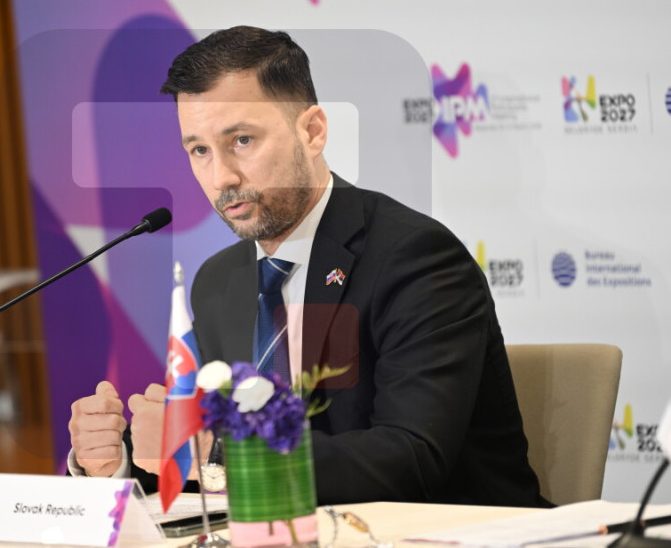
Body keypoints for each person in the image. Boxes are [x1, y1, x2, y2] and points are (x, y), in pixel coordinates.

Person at [68, 26, 548, 507]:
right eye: (200, 151)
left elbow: (412, 460)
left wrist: (218, 454)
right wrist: (117, 458)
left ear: (312, 132)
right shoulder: (219, 281)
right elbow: (199, 460)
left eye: (242, 140)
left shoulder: (415, 258)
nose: (221, 177)